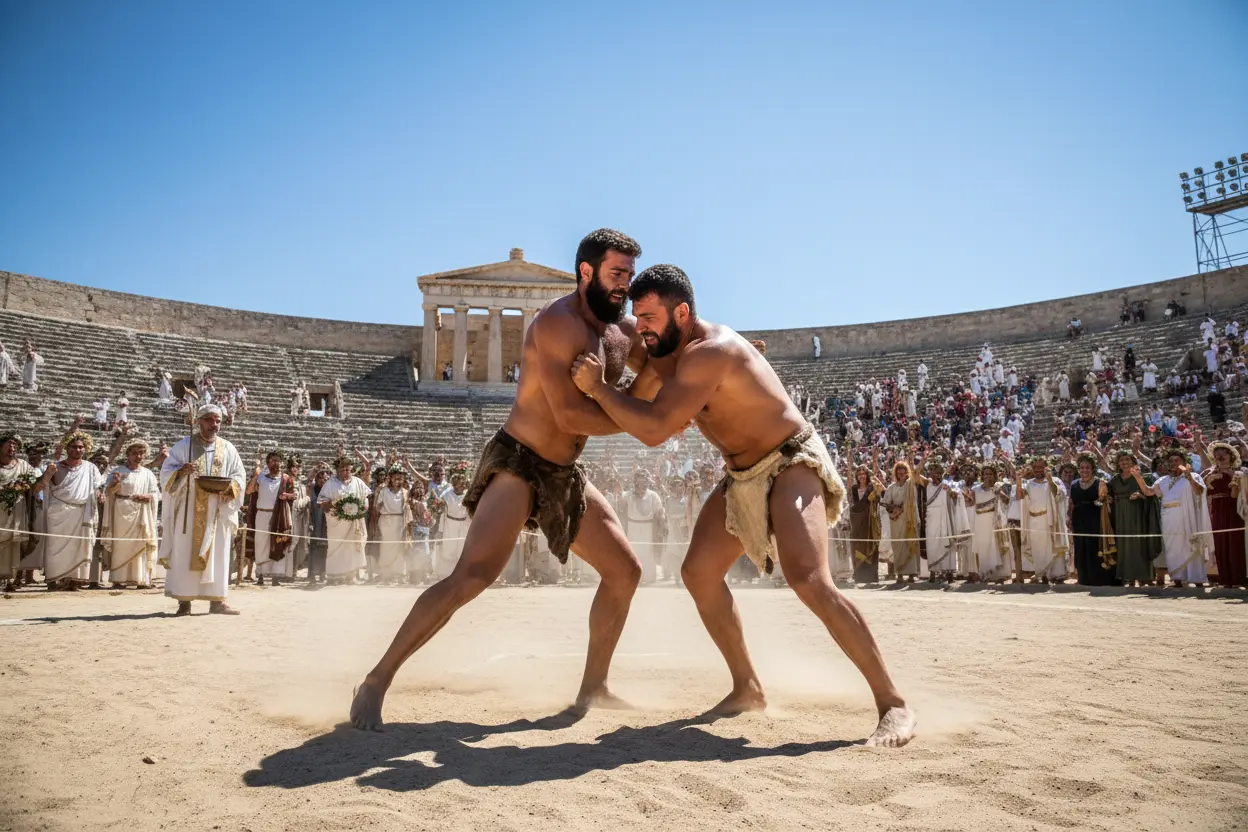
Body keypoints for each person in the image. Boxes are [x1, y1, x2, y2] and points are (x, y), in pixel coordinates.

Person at [569, 263, 914, 746]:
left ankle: (893, 703)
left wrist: (599, 390)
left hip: (790, 459)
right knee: (699, 572)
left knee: (808, 579)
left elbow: (652, 430)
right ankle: (747, 686)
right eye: (638, 317)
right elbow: (624, 351)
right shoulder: (667, 348)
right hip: (741, 475)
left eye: (649, 317)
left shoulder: (713, 352)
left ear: (682, 312)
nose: (641, 327)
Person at [350, 228, 649, 731]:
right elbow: (571, 415)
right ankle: (377, 679)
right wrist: (644, 419)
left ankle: (594, 686)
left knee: (625, 571)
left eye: (630, 276)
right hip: (520, 461)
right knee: (472, 577)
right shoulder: (557, 324)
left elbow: (663, 363)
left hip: (564, 472)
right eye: (617, 274)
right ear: (586, 271)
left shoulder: (622, 332)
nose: (625, 285)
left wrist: (711, 355)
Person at [157, 404, 246, 614]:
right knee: (184, 551)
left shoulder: (228, 449)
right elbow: (165, 474)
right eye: (209, 420)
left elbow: (239, 476)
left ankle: (217, 601)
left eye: (217, 421)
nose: (213, 425)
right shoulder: (183, 446)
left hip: (217, 510)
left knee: (218, 553)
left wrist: (231, 489)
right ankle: (184, 601)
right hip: (188, 511)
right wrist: (180, 471)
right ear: (199, 421)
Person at [35, 429, 105, 589]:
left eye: (81, 447)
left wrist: (101, 494)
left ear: (86, 448)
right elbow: (37, 489)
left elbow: (98, 486)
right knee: (55, 547)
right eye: (74, 447)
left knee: (78, 547)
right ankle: (54, 579)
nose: (78, 450)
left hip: (82, 512)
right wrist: (47, 475)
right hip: (58, 513)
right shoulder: (55, 467)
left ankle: (74, 580)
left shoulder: (91, 468)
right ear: (67, 448)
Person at [101, 438, 160, 588]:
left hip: (141, 512)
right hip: (121, 511)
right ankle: (119, 578)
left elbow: (156, 493)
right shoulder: (118, 471)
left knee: (140, 544)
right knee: (121, 545)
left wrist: (148, 496)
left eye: (141, 453)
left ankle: (140, 578)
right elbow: (108, 491)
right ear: (128, 454)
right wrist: (114, 484)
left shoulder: (148, 474)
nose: (138, 457)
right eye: (135, 453)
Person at [1154, 449, 1210, 587]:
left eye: (1177, 460)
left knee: (1191, 545)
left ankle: (1197, 579)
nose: (1173, 463)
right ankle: (1177, 578)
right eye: (1171, 461)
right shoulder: (1163, 480)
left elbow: (1199, 491)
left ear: (1184, 462)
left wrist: (1189, 477)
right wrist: (1138, 477)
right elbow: (1150, 492)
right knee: (1173, 548)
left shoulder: (1194, 476)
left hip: (1188, 517)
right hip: (1168, 518)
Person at [1016, 456, 1070, 584]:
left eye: (1041, 467)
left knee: (1051, 547)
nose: (1038, 470)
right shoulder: (1029, 483)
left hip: (1049, 519)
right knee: (1037, 548)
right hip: (1033, 520)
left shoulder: (1055, 480)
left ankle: (1056, 574)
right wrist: (1018, 479)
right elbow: (1020, 496)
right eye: (1035, 467)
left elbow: (1059, 494)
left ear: (1046, 467)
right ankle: (1041, 573)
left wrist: (1050, 479)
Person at [246, 450, 296, 587]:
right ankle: (261, 575)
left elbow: (294, 495)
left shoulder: (285, 479)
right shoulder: (261, 477)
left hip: (279, 515)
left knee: (278, 543)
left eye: (279, 461)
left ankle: (275, 577)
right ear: (268, 463)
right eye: (274, 460)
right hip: (262, 514)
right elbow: (249, 491)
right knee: (261, 544)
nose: (277, 463)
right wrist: (256, 476)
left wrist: (287, 496)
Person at [319, 455, 371, 583]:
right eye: (343, 469)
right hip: (337, 523)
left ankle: (351, 576)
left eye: (348, 469)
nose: (346, 471)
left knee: (353, 547)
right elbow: (322, 502)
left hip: (354, 522)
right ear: (338, 469)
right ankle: (334, 576)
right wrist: (338, 506)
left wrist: (363, 507)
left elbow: (365, 498)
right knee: (335, 547)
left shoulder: (358, 482)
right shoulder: (330, 483)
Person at [1069, 453, 1117, 586]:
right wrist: (1069, 517)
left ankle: (1100, 578)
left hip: (1096, 518)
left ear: (1093, 469)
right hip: (1079, 519)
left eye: (1087, 468)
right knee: (1081, 546)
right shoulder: (1074, 485)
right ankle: (1083, 578)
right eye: (1082, 468)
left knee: (1095, 546)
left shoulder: (1100, 483)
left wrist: (1102, 500)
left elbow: (1109, 501)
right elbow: (1072, 502)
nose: (1084, 470)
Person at [1204, 441, 1247, 589]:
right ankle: (1224, 579)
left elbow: (1239, 495)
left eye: (1224, 453)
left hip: (1233, 510)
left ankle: (1238, 578)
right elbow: (1204, 493)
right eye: (1217, 454)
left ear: (1231, 456)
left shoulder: (1238, 473)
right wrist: (1210, 480)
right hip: (1217, 510)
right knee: (1220, 543)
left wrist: (1234, 481)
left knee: (1235, 542)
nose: (1220, 456)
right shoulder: (1210, 474)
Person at [0, 433, 36, 591]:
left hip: (17, 508)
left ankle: (9, 578)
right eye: (9, 445)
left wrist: (47, 475)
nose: (12, 448)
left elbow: (33, 483)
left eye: (15, 446)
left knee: (13, 545)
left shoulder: (23, 465)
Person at [967, 461, 1009, 582]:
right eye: (985, 474)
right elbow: (971, 503)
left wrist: (999, 493)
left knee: (994, 546)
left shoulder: (998, 487)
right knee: (982, 547)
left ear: (994, 475)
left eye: (990, 474)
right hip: (980, 521)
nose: (987, 476)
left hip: (993, 521)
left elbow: (1007, 501)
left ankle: (997, 575)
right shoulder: (975, 489)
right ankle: (984, 574)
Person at [882, 459, 921, 583]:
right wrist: (893, 509)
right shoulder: (891, 488)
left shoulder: (910, 485)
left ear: (907, 473)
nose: (901, 475)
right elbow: (885, 503)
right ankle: (899, 574)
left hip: (909, 519)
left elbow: (913, 503)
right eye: (899, 473)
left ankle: (911, 574)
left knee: (910, 545)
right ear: (896, 473)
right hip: (896, 521)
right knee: (898, 546)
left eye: (904, 473)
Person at [371, 465, 412, 583]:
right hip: (386, 521)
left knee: (399, 547)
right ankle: (386, 573)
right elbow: (377, 506)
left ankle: (399, 574)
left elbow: (407, 508)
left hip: (400, 521)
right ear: (390, 478)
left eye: (400, 478)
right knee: (387, 546)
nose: (398, 481)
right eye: (396, 478)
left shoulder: (405, 492)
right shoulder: (383, 491)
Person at [623, 469, 664, 583]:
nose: (643, 484)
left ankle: (649, 577)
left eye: (645, 481)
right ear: (635, 482)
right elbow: (622, 511)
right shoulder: (627, 495)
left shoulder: (653, 495)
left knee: (648, 552)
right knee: (634, 551)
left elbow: (659, 512)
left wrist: (660, 527)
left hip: (648, 527)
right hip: (632, 526)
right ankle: (635, 577)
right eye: (640, 481)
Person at [846, 463, 883, 585]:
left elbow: (881, 495)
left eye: (863, 474)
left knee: (870, 545)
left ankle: (871, 577)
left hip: (870, 522)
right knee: (858, 546)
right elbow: (856, 506)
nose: (861, 476)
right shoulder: (854, 489)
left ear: (867, 475)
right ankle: (859, 576)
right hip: (858, 523)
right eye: (859, 474)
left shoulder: (872, 487)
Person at [306, 466, 330, 584]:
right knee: (314, 548)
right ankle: (312, 574)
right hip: (315, 521)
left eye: (325, 478)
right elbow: (309, 507)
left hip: (326, 523)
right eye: (320, 478)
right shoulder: (313, 490)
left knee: (325, 548)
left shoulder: (329, 490)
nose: (322, 480)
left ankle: (323, 572)